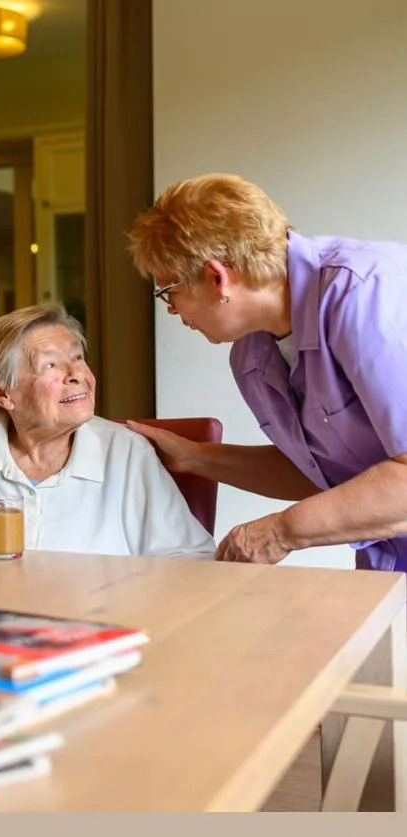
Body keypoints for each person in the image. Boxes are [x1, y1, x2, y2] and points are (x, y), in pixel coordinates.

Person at [127, 173, 407, 571]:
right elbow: (326, 473)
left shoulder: (365, 296)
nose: (170, 309)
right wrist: (195, 458)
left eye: (167, 290)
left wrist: (280, 531)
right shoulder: (251, 356)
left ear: (216, 277)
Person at [0, 304, 214, 557]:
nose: (76, 373)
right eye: (50, 364)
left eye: (78, 358)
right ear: (3, 393)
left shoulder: (124, 452)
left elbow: (190, 558)